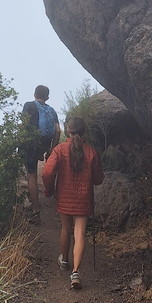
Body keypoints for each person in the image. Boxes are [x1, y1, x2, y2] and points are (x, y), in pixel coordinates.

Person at [42, 116, 104, 289]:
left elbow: (47, 173)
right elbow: (98, 179)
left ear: (67, 130)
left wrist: (49, 191)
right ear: (84, 131)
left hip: (64, 197)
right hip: (83, 199)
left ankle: (65, 260)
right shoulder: (91, 152)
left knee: (65, 228)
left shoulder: (60, 150)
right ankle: (75, 272)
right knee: (79, 233)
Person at [21, 85, 61, 223]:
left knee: (31, 175)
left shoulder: (29, 106)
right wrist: (52, 149)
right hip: (44, 145)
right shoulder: (52, 110)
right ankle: (33, 199)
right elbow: (58, 131)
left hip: (31, 145)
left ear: (34, 95)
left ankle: (35, 210)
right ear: (47, 97)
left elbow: (24, 126)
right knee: (32, 172)